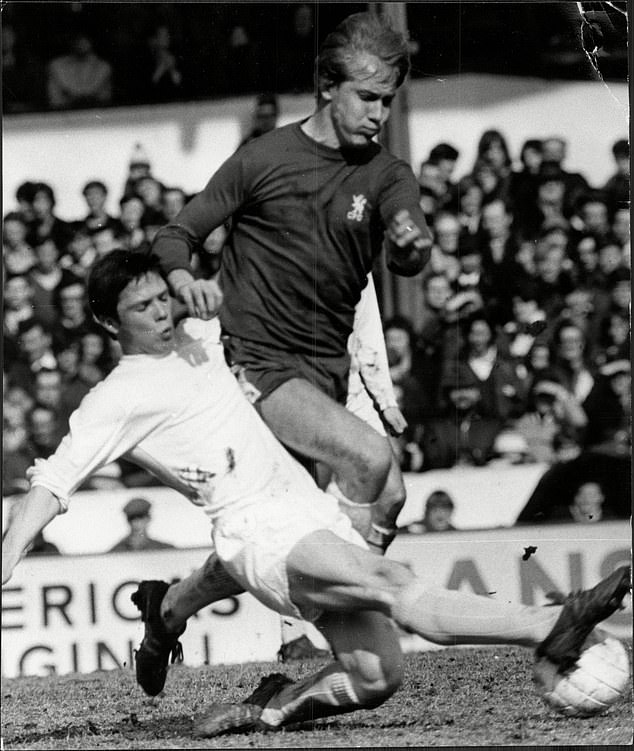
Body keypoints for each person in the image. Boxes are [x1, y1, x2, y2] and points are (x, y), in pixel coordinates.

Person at [1, 252, 629, 739]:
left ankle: (267, 706)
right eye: (144, 308)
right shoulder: (115, 398)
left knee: (377, 676)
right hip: (257, 534)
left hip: (308, 510)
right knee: (390, 580)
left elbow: (264, 287)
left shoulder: (205, 336)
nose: (163, 314)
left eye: (165, 298)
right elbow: (51, 485)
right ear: (110, 321)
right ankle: (552, 624)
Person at [150, 12, 432, 554]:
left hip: (328, 370)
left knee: (386, 497)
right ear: (327, 86)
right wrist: (184, 280)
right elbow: (177, 234)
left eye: (389, 100)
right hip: (259, 364)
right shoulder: (262, 159)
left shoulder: (388, 174)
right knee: (370, 461)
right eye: (368, 97)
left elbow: (408, 249)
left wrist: (410, 246)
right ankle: (349, 602)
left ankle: (170, 608)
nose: (380, 114)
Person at [109, 497, 175, 553]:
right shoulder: (118, 550)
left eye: (140, 517)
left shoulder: (162, 548)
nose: (136, 522)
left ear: (148, 518)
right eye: (132, 518)